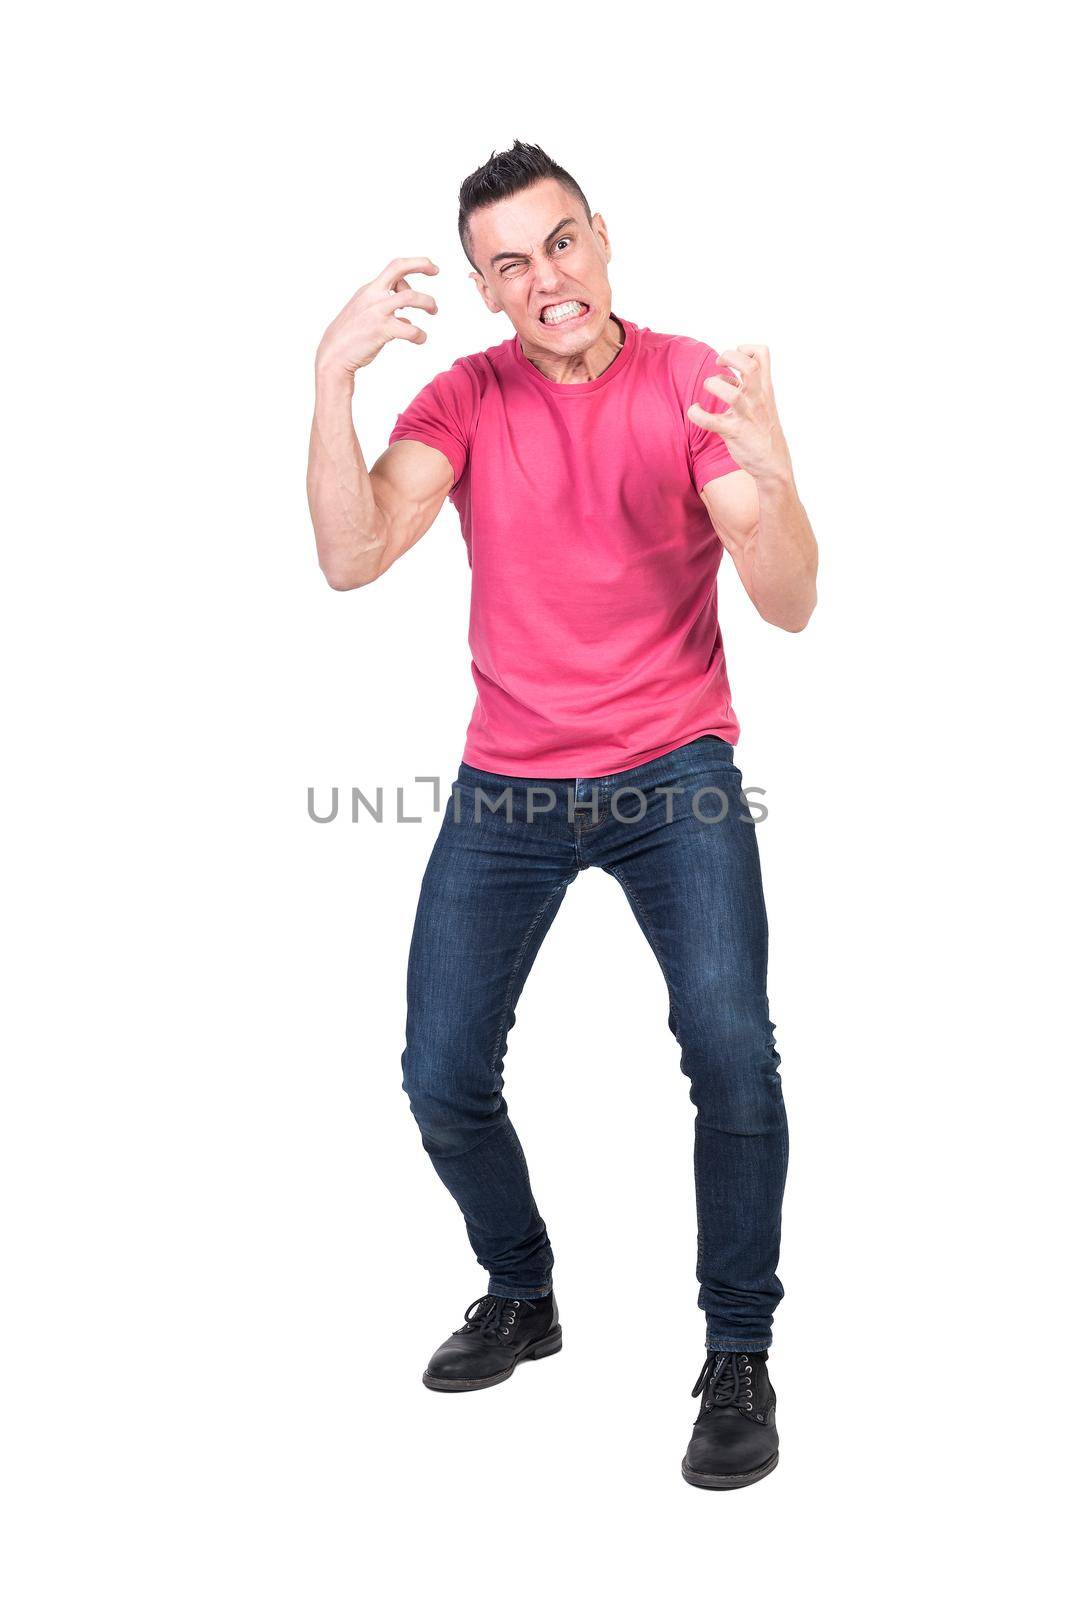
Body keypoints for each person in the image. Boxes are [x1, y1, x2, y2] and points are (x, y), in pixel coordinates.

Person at [306, 141, 817, 1491]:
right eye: (510, 264)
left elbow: (788, 600)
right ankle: (523, 1295)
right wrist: (329, 380)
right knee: (439, 1075)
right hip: (510, 783)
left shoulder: (690, 380)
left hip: (674, 770)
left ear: (603, 238)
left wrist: (775, 469)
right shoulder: (464, 399)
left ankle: (740, 1352)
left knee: (732, 1052)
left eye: (562, 243)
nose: (548, 280)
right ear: (485, 289)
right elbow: (354, 557)